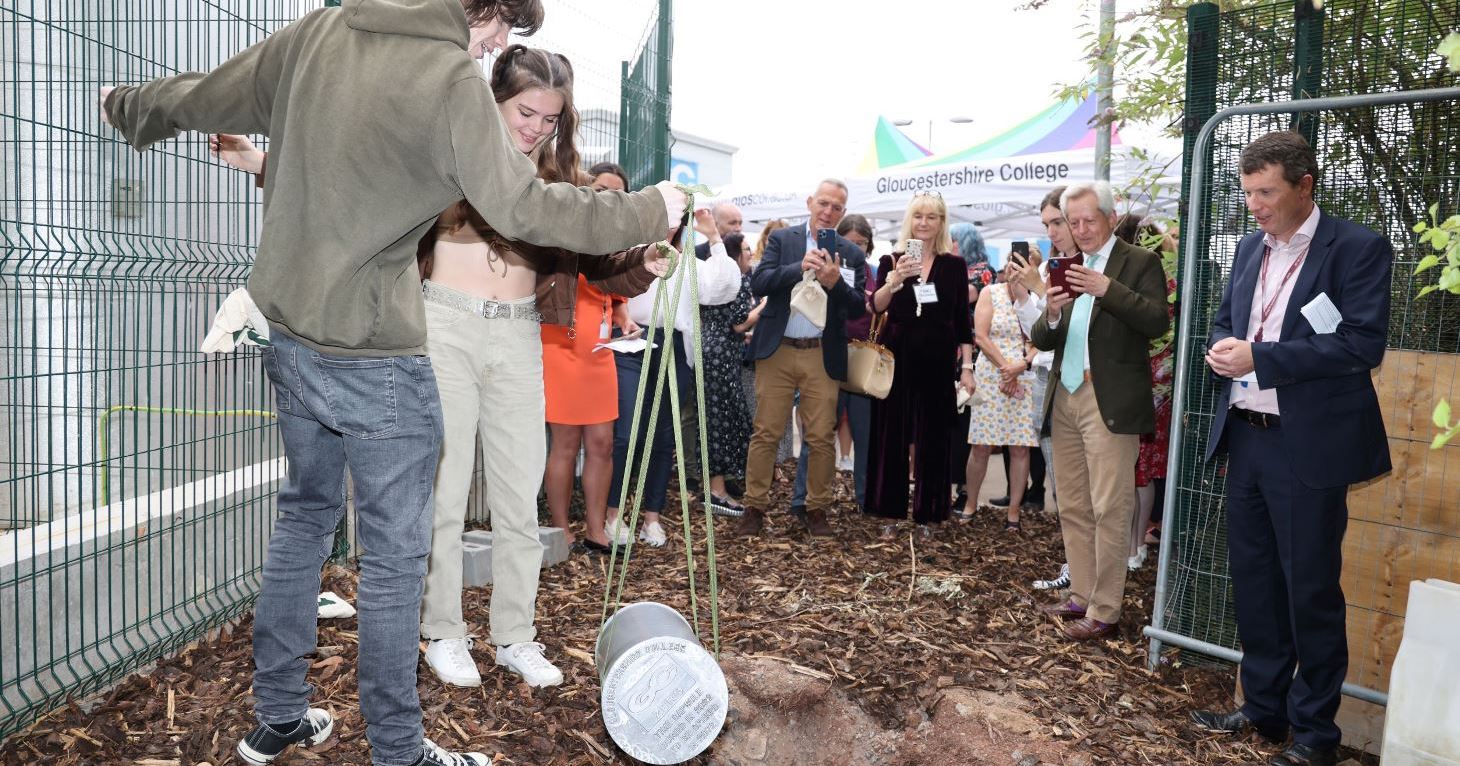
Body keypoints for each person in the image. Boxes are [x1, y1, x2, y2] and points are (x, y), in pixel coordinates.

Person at [99, 1, 688, 763]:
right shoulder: (447, 78)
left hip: (293, 334)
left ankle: (279, 711)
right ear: (477, 7)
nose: (500, 43)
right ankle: (399, 750)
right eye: (503, 23)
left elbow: (212, 93)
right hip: (375, 352)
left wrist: (129, 105)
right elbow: (522, 204)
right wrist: (649, 207)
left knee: (305, 520)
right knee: (394, 558)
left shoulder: (323, 28)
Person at [210, 44, 669, 690]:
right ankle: (443, 632)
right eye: (524, 111)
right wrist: (260, 162)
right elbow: (356, 193)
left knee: (518, 494)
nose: (536, 126)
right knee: (443, 493)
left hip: (517, 336)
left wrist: (640, 265)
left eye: (549, 117)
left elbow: (593, 259)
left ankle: (515, 635)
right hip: (442, 326)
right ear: (494, 102)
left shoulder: (559, 177)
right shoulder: (451, 152)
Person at [1190, 131, 1392, 766]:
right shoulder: (1250, 247)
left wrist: (1263, 358)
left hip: (1309, 450)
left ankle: (1315, 737)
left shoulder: (1356, 248)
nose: (1254, 204)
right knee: (1254, 584)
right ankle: (1263, 709)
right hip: (1247, 438)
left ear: (1305, 186)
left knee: (1310, 591)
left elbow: (1362, 344)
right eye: (1248, 191)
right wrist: (1224, 348)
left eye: (1266, 192)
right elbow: (1229, 318)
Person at [1030, 181, 1168, 643]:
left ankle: (1106, 610)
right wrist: (1050, 314)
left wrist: (1107, 289)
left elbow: (1155, 320)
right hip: (1065, 393)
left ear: (1111, 216)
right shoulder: (1066, 265)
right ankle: (1082, 593)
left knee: (1111, 506)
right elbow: (1045, 338)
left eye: (1089, 219)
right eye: (1074, 221)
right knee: (1072, 502)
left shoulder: (1138, 261)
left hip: (1107, 399)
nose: (1081, 229)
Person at [735, 180, 868, 538]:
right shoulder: (784, 240)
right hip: (778, 350)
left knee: (821, 436)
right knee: (766, 432)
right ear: (810, 203)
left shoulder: (850, 254)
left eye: (836, 207)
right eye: (823, 203)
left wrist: (834, 281)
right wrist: (798, 267)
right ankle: (754, 507)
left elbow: (858, 306)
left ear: (843, 212)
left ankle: (816, 509)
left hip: (822, 355)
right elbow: (759, 282)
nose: (828, 212)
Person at [606, 209, 743, 546]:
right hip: (631, 344)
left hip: (673, 348)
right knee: (626, 434)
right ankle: (613, 514)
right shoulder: (630, 254)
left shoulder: (685, 262)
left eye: (674, 221)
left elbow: (722, 288)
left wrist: (713, 237)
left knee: (664, 436)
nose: (668, 226)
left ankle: (651, 518)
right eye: (662, 216)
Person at [544, 162, 647, 555]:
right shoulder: (564, 229)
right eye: (602, 189)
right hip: (562, 345)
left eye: (617, 193)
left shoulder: (614, 241)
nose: (609, 197)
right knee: (565, 444)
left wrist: (621, 312)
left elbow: (614, 292)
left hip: (601, 351)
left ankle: (595, 527)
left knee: (603, 442)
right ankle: (559, 530)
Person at [863, 193, 974, 536]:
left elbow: (961, 321)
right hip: (897, 356)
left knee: (935, 435)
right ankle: (891, 512)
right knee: (891, 434)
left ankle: (929, 514)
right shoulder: (890, 260)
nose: (924, 223)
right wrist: (894, 281)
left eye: (932, 217)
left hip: (938, 359)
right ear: (909, 221)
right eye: (918, 216)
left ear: (942, 222)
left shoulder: (954, 266)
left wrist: (967, 367)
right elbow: (876, 307)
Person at [791, 213, 877, 513]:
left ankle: (867, 500)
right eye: (850, 242)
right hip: (830, 355)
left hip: (864, 361)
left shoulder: (875, 273)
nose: (856, 248)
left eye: (861, 243)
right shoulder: (820, 266)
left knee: (865, 434)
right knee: (819, 431)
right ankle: (804, 499)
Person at [1113, 214, 1179, 570]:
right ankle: (1134, 545)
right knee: (1144, 470)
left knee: (1137, 469)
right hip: (1159, 389)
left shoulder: (1139, 280)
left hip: (1143, 386)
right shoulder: (1168, 280)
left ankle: (1132, 546)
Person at [959, 257, 1038, 532]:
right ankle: (971, 503)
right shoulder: (989, 292)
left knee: (1019, 447)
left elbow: (1044, 338)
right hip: (993, 375)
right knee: (980, 445)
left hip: (1024, 375)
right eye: (1012, 263)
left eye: (1024, 265)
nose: (1016, 269)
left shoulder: (1037, 297)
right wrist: (1007, 369)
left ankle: (1014, 512)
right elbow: (980, 336)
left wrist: (1020, 367)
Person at [699, 232, 758, 514]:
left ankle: (717, 487)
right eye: (747, 250)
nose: (751, 255)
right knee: (723, 423)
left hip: (706, 352)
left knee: (713, 422)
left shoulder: (715, 275)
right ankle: (717, 492)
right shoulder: (741, 280)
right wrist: (766, 306)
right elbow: (738, 324)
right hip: (723, 357)